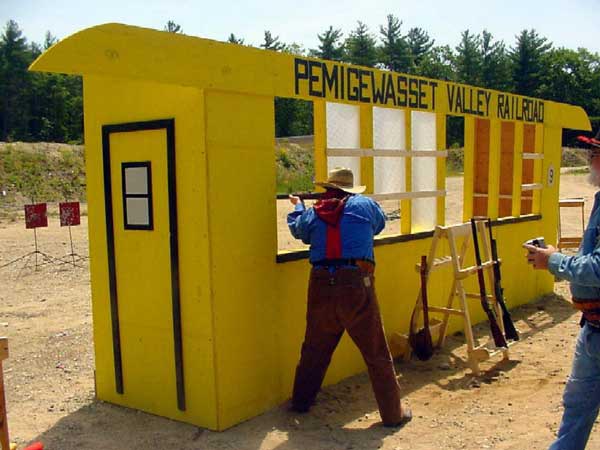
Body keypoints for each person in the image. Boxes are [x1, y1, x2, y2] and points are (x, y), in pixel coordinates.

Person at [287, 167, 411, 427]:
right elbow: (377, 226)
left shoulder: (314, 212)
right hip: (356, 282)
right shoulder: (365, 205)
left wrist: (298, 207)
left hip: (321, 283)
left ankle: (300, 403)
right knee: (376, 352)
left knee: (314, 348)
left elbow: (299, 232)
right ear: (350, 189)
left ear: (328, 189)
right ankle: (393, 414)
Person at [525, 129, 600, 450]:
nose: (588, 159)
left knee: (577, 409)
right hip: (593, 327)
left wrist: (554, 261)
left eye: (593, 153)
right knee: (576, 409)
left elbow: (597, 268)